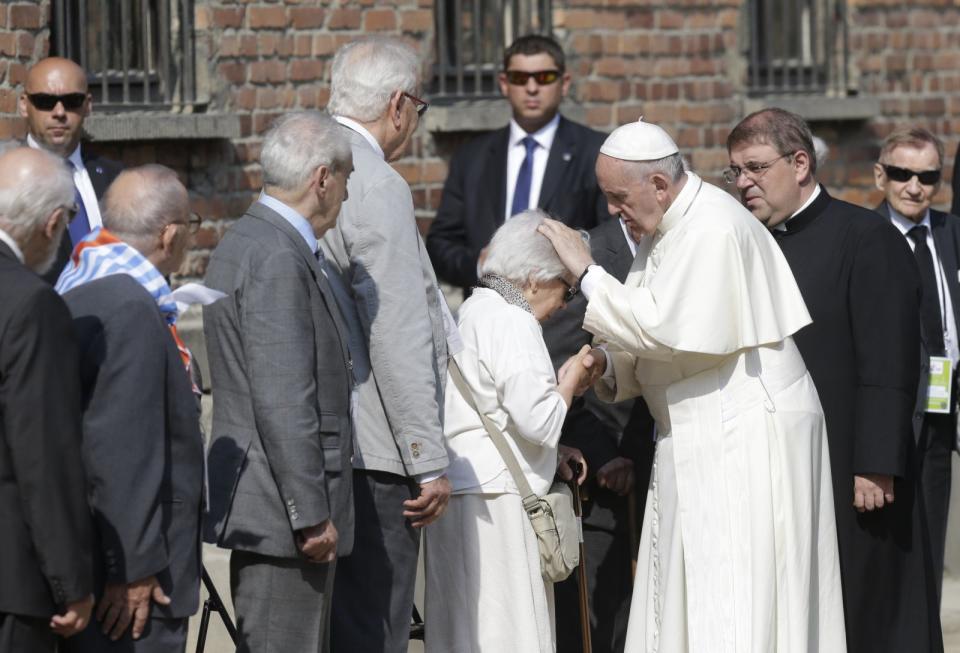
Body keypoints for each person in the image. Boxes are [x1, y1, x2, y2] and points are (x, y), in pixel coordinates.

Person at [540, 118, 846, 652]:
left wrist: (588, 273)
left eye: (618, 197)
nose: (613, 210)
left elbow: (664, 331)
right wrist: (606, 368)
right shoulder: (663, 231)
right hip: (698, 427)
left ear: (658, 185)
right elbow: (660, 336)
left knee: (737, 590)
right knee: (688, 585)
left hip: (746, 431)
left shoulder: (713, 226)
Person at [726, 107, 941, 652]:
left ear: (800, 163)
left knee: (868, 614)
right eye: (735, 171)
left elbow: (890, 357)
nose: (743, 183)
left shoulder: (866, 237)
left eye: (754, 167)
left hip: (859, 473)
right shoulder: (750, 245)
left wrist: (875, 462)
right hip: (785, 468)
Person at [204, 111, 355, 653]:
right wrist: (311, 514)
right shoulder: (274, 255)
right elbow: (284, 398)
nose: (346, 192)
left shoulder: (253, 239)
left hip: (274, 508)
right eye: (346, 178)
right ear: (322, 179)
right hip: (283, 517)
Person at [321, 37, 453, 653]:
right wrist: (426, 455)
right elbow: (396, 328)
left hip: (328, 438)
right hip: (378, 448)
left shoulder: (306, 163)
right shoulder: (375, 182)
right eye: (419, 107)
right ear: (399, 105)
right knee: (377, 626)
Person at [424, 210, 589, 653]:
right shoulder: (514, 320)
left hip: (463, 491)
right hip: (497, 504)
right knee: (508, 634)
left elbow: (493, 410)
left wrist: (553, 455)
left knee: (464, 631)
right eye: (567, 289)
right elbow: (539, 421)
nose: (565, 305)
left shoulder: (475, 307)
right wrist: (571, 379)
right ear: (535, 279)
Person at [55, 165, 204, 653]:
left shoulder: (84, 279)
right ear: (171, 235)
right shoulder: (130, 305)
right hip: (137, 579)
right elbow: (121, 447)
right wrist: (133, 568)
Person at [546, 217, 656, 653]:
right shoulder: (594, 254)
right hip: (610, 486)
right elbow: (558, 370)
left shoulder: (681, 248)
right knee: (600, 628)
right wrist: (601, 452)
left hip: (666, 478)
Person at [427, 34, 610, 295]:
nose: (532, 88)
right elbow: (441, 244)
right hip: (489, 312)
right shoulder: (472, 158)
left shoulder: (593, 152)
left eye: (544, 77)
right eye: (520, 78)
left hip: (565, 318)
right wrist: (481, 266)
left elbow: (609, 240)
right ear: (504, 83)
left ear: (564, 83)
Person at [0, 145, 94, 651]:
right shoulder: (32, 304)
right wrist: (71, 582)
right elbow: (43, 455)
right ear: (53, 222)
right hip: (12, 584)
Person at [875, 126, 960, 599]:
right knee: (889, 543)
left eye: (927, 176)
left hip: (944, 408)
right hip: (892, 410)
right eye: (902, 174)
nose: (914, 186)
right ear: (880, 176)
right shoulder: (866, 236)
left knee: (932, 535)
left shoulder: (951, 232)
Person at [19, 57, 122, 283]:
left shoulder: (116, 178)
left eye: (72, 101)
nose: (59, 112)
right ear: (24, 105)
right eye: (45, 101)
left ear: (87, 105)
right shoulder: (9, 178)